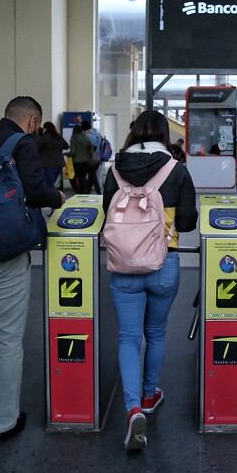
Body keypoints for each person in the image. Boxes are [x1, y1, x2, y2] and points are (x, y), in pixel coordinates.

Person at [0, 96, 65, 442]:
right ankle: (4, 421)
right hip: (5, 253)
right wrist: (58, 198)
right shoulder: (22, 144)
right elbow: (35, 192)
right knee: (9, 338)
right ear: (32, 121)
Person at [102, 110, 197, 451]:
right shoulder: (176, 169)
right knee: (155, 333)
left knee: (129, 338)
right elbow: (187, 222)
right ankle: (149, 394)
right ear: (163, 134)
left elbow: (105, 212)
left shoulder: (115, 169)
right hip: (163, 264)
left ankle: (132, 409)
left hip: (123, 267)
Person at [37, 121, 69, 189]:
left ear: (46, 129)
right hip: (59, 163)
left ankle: (50, 195)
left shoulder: (45, 138)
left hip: (48, 164)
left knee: (49, 184)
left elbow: (37, 147)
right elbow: (66, 146)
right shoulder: (58, 137)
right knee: (53, 183)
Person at [68, 124, 96, 194]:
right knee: (82, 178)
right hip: (86, 162)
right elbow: (91, 147)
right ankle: (83, 192)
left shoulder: (74, 138)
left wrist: (67, 154)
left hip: (76, 162)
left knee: (72, 179)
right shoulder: (86, 137)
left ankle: (78, 192)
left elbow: (73, 152)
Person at [82, 121, 103, 193]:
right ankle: (87, 192)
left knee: (92, 175)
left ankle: (99, 192)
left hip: (91, 158)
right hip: (98, 158)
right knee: (91, 175)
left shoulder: (87, 136)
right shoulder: (97, 133)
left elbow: (91, 147)